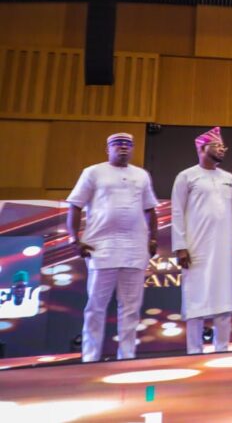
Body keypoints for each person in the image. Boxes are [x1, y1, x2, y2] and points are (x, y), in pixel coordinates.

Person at [66, 132, 158, 362]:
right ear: (108, 149)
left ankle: (127, 356)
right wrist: (74, 239)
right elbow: (75, 205)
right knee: (96, 306)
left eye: (128, 144)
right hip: (101, 246)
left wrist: (153, 239)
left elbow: (150, 209)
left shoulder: (141, 175)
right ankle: (90, 357)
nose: (123, 148)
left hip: (135, 247)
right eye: (118, 144)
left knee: (131, 307)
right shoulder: (93, 172)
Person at [171, 127, 232, 354]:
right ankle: (194, 352)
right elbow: (177, 212)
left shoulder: (228, 178)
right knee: (196, 299)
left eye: (223, 146)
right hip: (196, 248)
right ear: (202, 148)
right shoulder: (186, 176)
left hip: (223, 248)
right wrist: (180, 247)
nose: (222, 150)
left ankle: (221, 350)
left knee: (223, 298)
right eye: (217, 146)